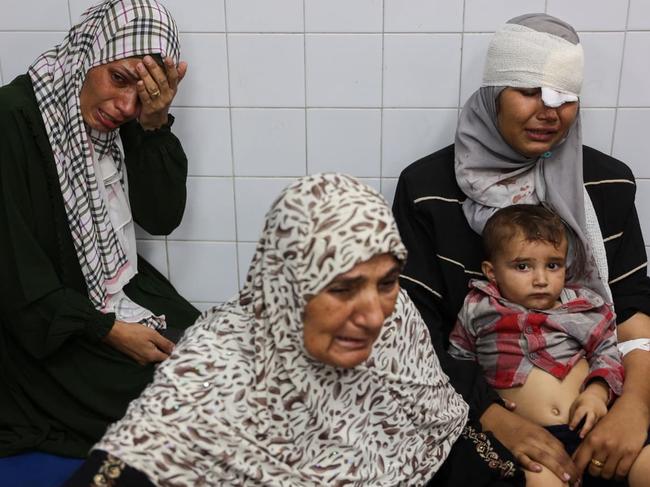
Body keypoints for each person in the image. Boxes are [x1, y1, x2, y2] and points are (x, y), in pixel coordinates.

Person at [63, 173, 470, 486]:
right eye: (341, 289)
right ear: (285, 286)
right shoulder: (215, 373)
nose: (372, 317)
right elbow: (136, 456)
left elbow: (435, 421)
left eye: (385, 282)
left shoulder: (396, 318)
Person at [392, 13, 650, 486]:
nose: (548, 111)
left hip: (603, 394)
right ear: (493, 96)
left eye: (563, 97)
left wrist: (633, 407)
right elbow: (414, 331)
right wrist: (497, 418)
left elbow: (632, 306)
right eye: (528, 91)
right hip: (474, 404)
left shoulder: (608, 184)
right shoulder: (428, 190)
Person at [0, 0, 199, 459]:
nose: (126, 105)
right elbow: (15, 277)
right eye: (120, 79)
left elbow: (162, 217)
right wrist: (108, 330)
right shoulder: (11, 121)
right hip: (49, 327)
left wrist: (154, 126)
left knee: (218, 358)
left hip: (117, 289)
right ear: (88, 56)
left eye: (143, 91)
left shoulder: (121, 117)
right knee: (176, 407)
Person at [448, 204, 650, 486]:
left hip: (593, 428)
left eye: (553, 265)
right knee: (541, 482)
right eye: (523, 266)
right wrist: (485, 402)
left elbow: (609, 355)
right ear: (491, 272)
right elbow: (458, 364)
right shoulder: (478, 308)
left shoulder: (584, 308)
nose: (541, 279)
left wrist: (597, 393)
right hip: (526, 438)